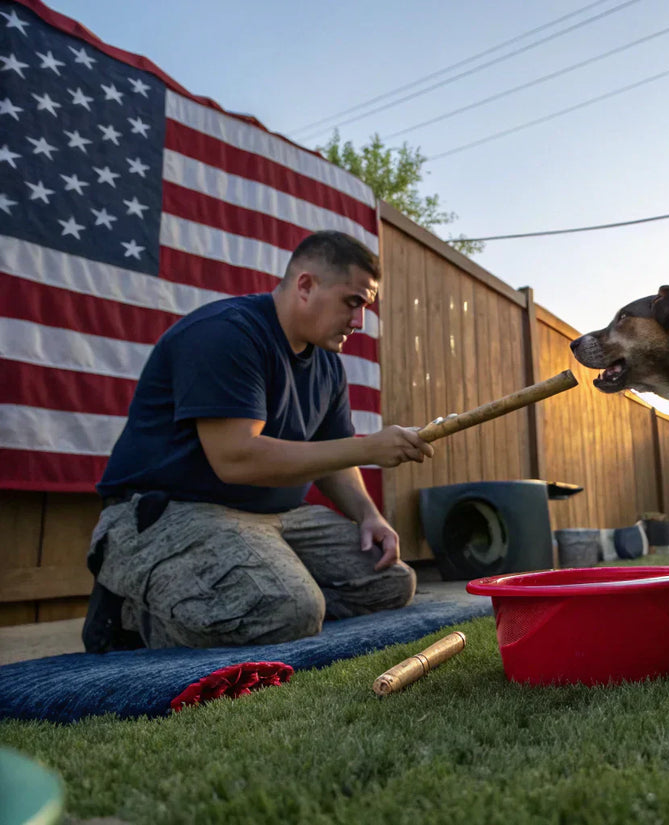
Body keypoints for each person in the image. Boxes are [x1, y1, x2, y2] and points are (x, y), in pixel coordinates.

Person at [82, 230, 435, 652]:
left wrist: (369, 515)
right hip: (168, 512)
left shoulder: (328, 364)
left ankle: (256, 594)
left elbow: (334, 456)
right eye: (353, 302)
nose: (359, 321)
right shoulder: (228, 334)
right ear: (306, 285)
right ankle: (129, 615)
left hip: (272, 518)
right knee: (290, 611)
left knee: (391, 583)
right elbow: (236, 460)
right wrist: (369, 447)